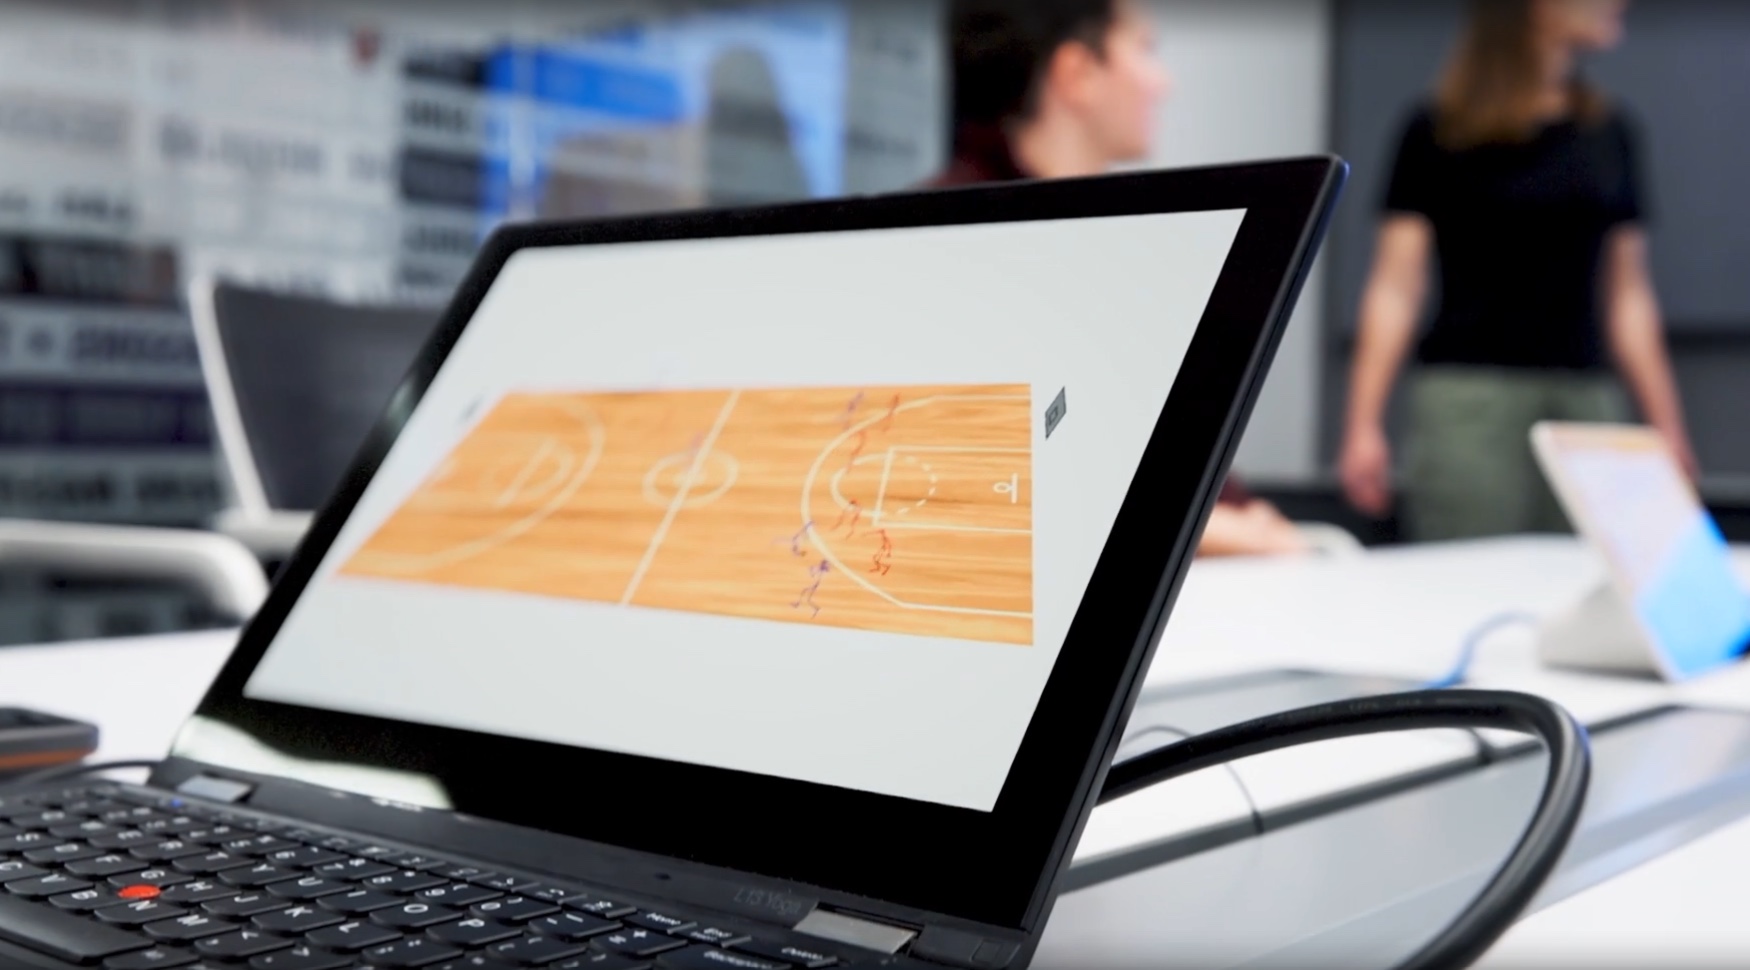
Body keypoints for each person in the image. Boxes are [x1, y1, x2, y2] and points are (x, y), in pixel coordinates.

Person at [932, 0, 1310, 558]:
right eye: (1144, 49)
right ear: (1078, 74)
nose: (1163, 82)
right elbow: (966, 475)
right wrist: (1214, 531)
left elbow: (1176, 447)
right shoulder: (950, 238)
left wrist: (1229, 517)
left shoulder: (1121, 250)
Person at [1339, 0, 1695, 541]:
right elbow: (1395, 287)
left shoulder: (1609, 131)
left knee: (1589, 576)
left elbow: (1629, 295)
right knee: (1467, 575)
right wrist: (1362, 424)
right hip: (1468, 403)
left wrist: (1666, 427)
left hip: (1585, 399)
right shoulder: (1437, 130)